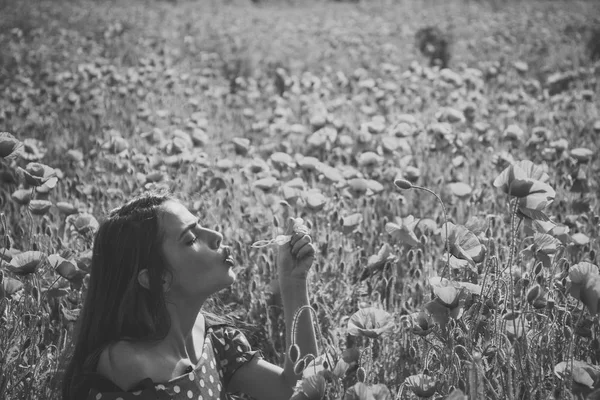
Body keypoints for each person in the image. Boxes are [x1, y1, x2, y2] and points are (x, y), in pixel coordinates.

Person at [61, 189, 318, 400]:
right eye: (191, 238)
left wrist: (294, 283)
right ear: (156, 278)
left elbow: (297, 390)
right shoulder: (129, 369)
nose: (217, 236)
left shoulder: (212, 339)